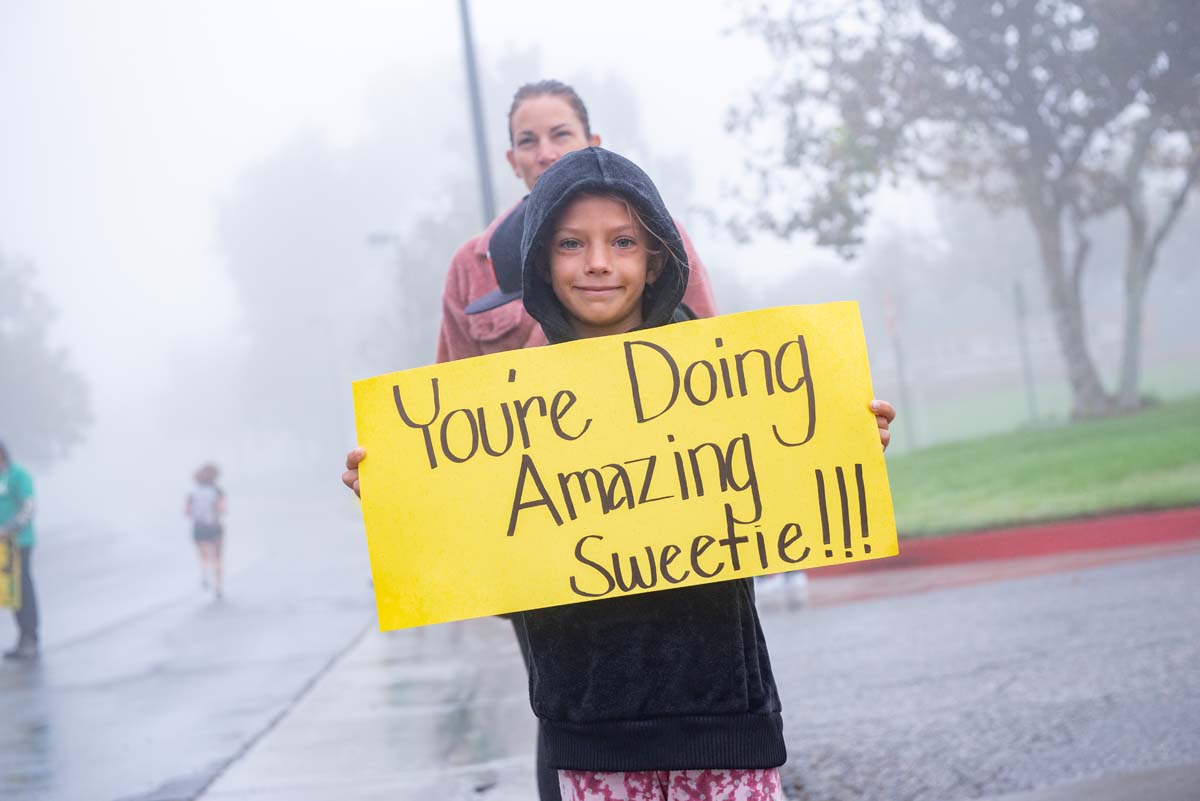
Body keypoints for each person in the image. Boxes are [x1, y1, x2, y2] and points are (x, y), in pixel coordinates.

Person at [345, 148, 897, 800]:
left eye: (623, 241)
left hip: (726, 719)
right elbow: (485, 568)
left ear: (656, 256)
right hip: (590, 732)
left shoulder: (724, 375)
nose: (599, 262)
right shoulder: (505, 411)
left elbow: (782, 496)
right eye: (572, 243)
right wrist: (403, 499)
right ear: (543, 262)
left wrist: (844, 442)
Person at [435, 79, 717, 364]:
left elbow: (709, 347)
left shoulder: (662, 233)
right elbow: (455, 390)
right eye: (570, 244)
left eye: (623, 242)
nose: (546, 154)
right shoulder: (469, 263)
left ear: (593, 144)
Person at [0, 441, 39, 661]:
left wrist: (8, 529)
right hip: (3, 545)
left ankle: (30, 637)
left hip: (20, 541)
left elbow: (29, 507)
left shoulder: (18, 476)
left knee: (23, 588)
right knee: (11, 592)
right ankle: (22, 637)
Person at [185, 463, 226, 600]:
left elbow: (187, 512)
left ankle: (205, 574)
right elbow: (221, 509)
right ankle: (218, 586)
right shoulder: (217, 492)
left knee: (203, 555)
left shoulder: (192, 493)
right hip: (214, 527)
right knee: (218, 558)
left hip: (199, 527)